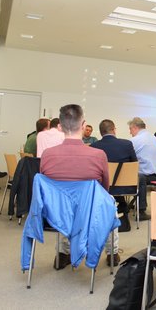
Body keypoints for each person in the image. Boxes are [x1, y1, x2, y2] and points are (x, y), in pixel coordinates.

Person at [40, 104, 110, 270]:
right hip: (89, 212)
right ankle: (112, 252)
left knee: (65, 205)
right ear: (84, 125)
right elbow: (105, 189)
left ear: (60, 126)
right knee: (107, 204)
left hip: (55, 214)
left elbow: (46, 188)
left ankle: (64, 253)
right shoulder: (98, 155)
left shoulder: (47, 155)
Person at [91, 119, 138, 237]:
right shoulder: (127, 144)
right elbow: (134, 164)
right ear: (113, 130)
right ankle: (123, 211)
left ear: (101, 132)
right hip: (125, 187)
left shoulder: (93, 146)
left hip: (102, 188)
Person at [128, 117, 156, 221]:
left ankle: (140, 209)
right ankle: (136, 204)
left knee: (134, 175)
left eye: (130, 129)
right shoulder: (153, 138)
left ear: (134, 127)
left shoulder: (135, 140)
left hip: (145, 177)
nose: (130, 132)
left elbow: (128, 157)